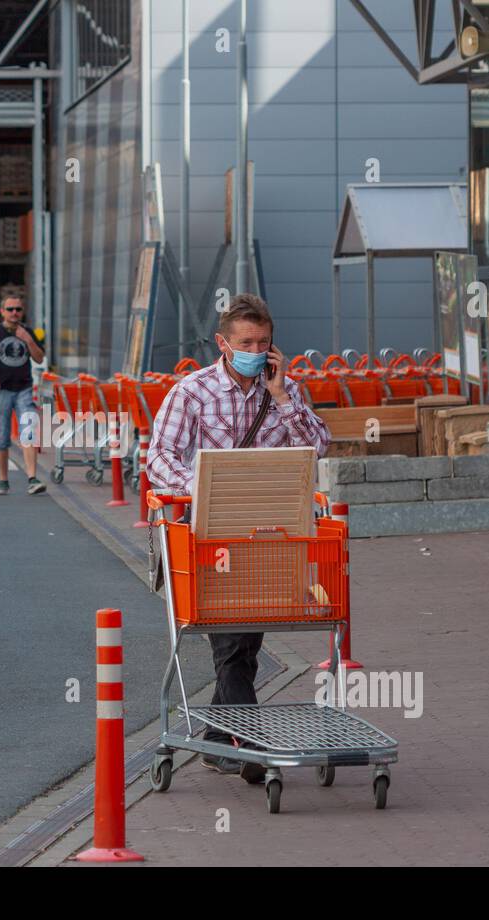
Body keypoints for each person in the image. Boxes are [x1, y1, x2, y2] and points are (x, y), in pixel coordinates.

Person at [147, 293, 330, 781]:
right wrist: (204, 488)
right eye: (246, 341)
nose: (255, 349)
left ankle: (215, 739)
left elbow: (317, 448)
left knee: (245, 642)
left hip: (267, 536)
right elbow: (159, 456)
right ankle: (252, 747)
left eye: (263, 342)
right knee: (231, 642)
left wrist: (286, 396)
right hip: (210, 535)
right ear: (223, 344)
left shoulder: (285, 392)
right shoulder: (192, 392)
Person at [0, 297, 46, 496]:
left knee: (29, 432)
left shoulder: (27, 332)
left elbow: (39, 358)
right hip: (0, 391)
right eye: (10, 309)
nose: (14, 312)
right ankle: (3, 481)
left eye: (18, 309)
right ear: (2, 312)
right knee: (1, 437)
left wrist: (28, 340)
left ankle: (32, 479)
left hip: (24, 389)